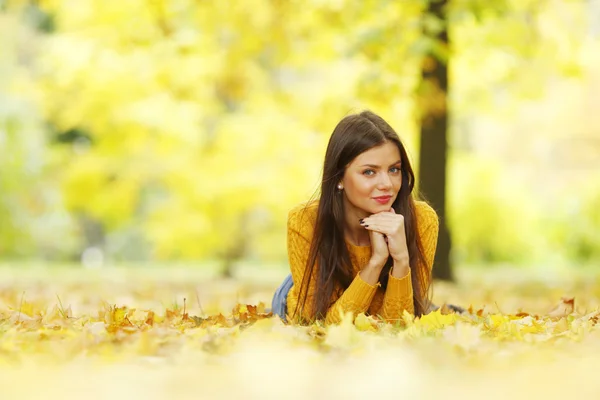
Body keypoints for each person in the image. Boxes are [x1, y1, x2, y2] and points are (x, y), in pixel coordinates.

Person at [271, 110, 441, 325]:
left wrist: (401, 260)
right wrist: (376, 261)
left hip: (373, 307)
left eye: (394, 170)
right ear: (339, 177)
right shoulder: (305, 221)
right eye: (369, 172)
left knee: (423, 309)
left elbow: (399, 327)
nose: (387, 184)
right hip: (310, 296)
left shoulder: (422, 220)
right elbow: (323, 326)